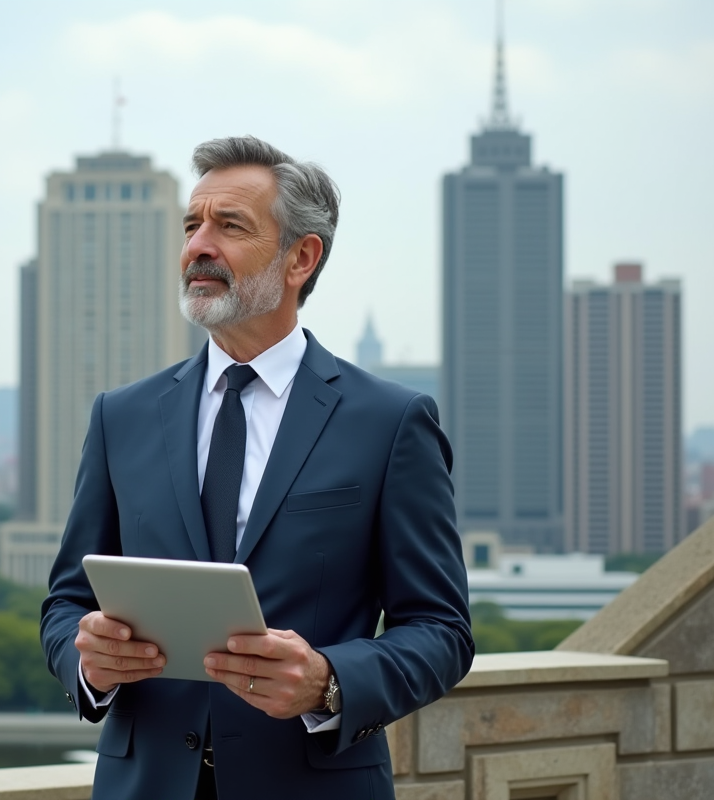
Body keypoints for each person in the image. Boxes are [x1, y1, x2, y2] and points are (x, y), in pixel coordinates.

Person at [41, 136, 472, 800]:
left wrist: (329, 681)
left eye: (230, 226)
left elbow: (442, 631)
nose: (199, 245)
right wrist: (88, 660)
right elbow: (67, 602)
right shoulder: (121, 416)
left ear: (301, 257)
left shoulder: (390, 422)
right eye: (191, 225)